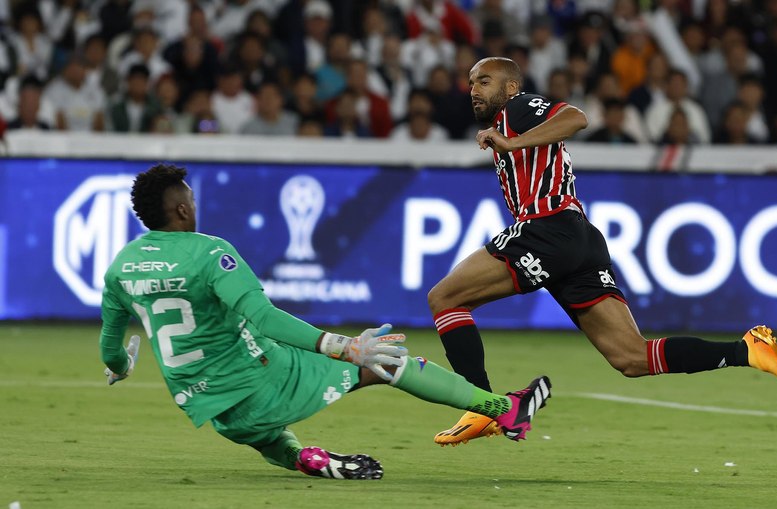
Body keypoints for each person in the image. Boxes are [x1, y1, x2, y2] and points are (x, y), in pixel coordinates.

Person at [429, 57, 777, 447]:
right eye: (470, 83)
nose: (474, 90)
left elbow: (576, 117)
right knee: (632, 358)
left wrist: (512, 142)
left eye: (484, 82)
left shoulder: (518, 110)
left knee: (446, 298)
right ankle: (747, 350)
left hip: (548, 227)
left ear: (509, 88)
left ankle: (486, 407)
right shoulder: (503, 125)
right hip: (579, 239)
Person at [100, 164, 552, 480]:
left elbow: (111, 351)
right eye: (191, 200)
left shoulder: (121, 267)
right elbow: (264, 316)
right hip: (260, 386)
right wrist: (342, 346)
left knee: (266, 427)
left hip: (216, 414)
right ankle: (504, 410)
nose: (194, 207)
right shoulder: (208, 251)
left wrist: (121, 366)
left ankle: (302, 458)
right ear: (181, 210)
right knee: (389, 359)